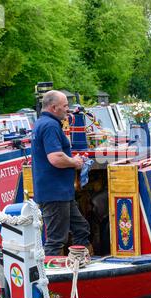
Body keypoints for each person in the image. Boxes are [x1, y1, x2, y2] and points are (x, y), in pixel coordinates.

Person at [31, 90, 92, 256]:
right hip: (54, 193)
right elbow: (55, 158)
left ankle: (80, 264)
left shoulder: (42, 123)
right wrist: (75, 162)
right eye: (65, 106)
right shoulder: (50, 126)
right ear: (54, 107)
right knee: (56, 239)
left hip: (59, 193)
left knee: (81, 228)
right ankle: (50, 278)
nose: (68, 109)